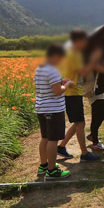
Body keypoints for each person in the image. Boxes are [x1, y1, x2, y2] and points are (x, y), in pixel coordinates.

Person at [57, 29, 101, 161]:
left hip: (73, 92)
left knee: (78, 123)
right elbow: (83, 72)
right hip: (72, 92)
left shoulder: (73, 53)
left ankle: (62, 146)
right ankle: (84, 154)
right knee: (80, 123)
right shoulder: (74, 54)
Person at [34, 43, 73, 179]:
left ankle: (44, 165)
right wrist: (67, 85)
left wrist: (61, 81)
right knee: (53, 139)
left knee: (45, 137)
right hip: (53, 109)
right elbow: (57, 91)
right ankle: (52, 171)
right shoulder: (52, 70)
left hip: (41, 108)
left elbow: (47, 85)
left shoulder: (40, 68)